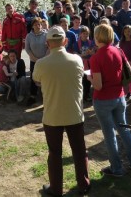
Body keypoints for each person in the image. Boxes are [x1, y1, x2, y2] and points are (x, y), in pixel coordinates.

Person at [32, 26, 91, 196]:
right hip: (74, 113)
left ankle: (56, 188)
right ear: (65, 41)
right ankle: (83, 184)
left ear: (48, 43)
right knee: (79, 151)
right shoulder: (77, 60)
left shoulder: (42, 64)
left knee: (55, 153)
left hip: (52, 116)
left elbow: (36, 80)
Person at [87, 24, 131, 177]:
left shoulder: (96, 57)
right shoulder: (118, 51)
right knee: (124, 130)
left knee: (109, 135)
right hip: (119, 97)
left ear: (98, 37)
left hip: (103, 99)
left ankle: (117, 168)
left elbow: (98, 85)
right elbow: (129, 71)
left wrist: (88, 78)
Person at [24, 17, 48, 106]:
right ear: (32, 26)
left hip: (45, 61)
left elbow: (49, 47)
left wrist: (43, 59)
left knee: (45, 78)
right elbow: (27, 49)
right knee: (34, 78)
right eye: (35, 24)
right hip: (34, 61)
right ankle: (33, 96)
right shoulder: (29, 36)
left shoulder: (46, 34)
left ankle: (46, 96)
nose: (38, 26)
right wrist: (35, 59)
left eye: (39, 24)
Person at [77, 26, 96, 102]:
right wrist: (84, 54)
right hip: (81, 64)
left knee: (88, 79)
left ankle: (87, 94)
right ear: (80, 34)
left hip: (90, 63)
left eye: (87, 34)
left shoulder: (91, 42)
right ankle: (82, 95)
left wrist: (92, 53)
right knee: (82, 79)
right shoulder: (77, 43)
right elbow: (75, 54)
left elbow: (94, 52)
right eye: (84, 33)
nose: (85, 35)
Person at [119, 25, 131, 102]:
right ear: (123, 32)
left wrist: (130, 60)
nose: (127, 33)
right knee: (125, 78)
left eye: (129, 31)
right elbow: (120, 52)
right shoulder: (122, 42)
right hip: (124, 62)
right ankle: (128, 93)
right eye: (126, 31)